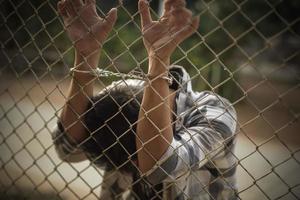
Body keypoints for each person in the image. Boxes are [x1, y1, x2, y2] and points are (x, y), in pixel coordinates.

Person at [52, 0, 238, 199]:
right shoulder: (122, 96)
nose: (137, 168)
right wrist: (86, 54)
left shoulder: (214, 113)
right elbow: (68, 149)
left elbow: (160, 166)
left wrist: (158, 61)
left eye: (136, 155)